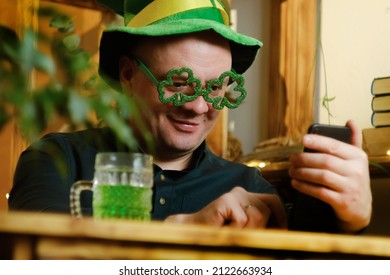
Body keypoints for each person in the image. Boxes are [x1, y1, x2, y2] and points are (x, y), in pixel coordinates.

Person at [8, 0, 371, 233]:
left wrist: (351, 222)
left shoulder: (251, 193)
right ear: (128, 74)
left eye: (216, 88)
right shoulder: (54, 161)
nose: (198, 107)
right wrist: (183, 229)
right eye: (179, 83)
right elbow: (38, 268)